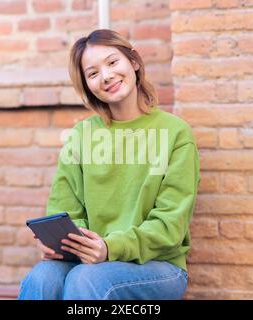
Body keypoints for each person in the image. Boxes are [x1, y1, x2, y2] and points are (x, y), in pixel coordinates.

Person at [18, 29, 201, 300]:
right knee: (42, 278)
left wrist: (109, 247)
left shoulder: (175, 133)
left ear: (134, 62)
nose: (106, 76)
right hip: (88, 259)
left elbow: (170, 226)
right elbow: (64, 209)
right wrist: (60, 244)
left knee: (87, 279)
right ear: (87, 85)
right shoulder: (80, 136)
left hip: (158, 267)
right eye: (92, 73)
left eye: (113, 62)